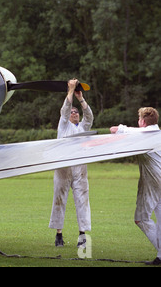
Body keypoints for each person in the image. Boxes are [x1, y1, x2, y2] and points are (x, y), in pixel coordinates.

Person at [110, 107, 161, 266]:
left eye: (139, 119)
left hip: (153, 182)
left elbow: (117, 130)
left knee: (140, 219)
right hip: (157, 182)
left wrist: (119, 129)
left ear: (143, 122)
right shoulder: (157, 133)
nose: (138, 122)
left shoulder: (147, 134)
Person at [49, 79, 94, 247]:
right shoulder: (63, 125)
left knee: (82, 201)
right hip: (63, 166)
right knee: (59, 199)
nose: (74, 113)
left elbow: (89, 115)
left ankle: (82, 236)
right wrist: (70, 91)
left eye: (77, 112)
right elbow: (65, 109)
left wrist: (80, 98)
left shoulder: (83, 127)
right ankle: (58, 235)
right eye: (72, 111)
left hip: (80, 169)